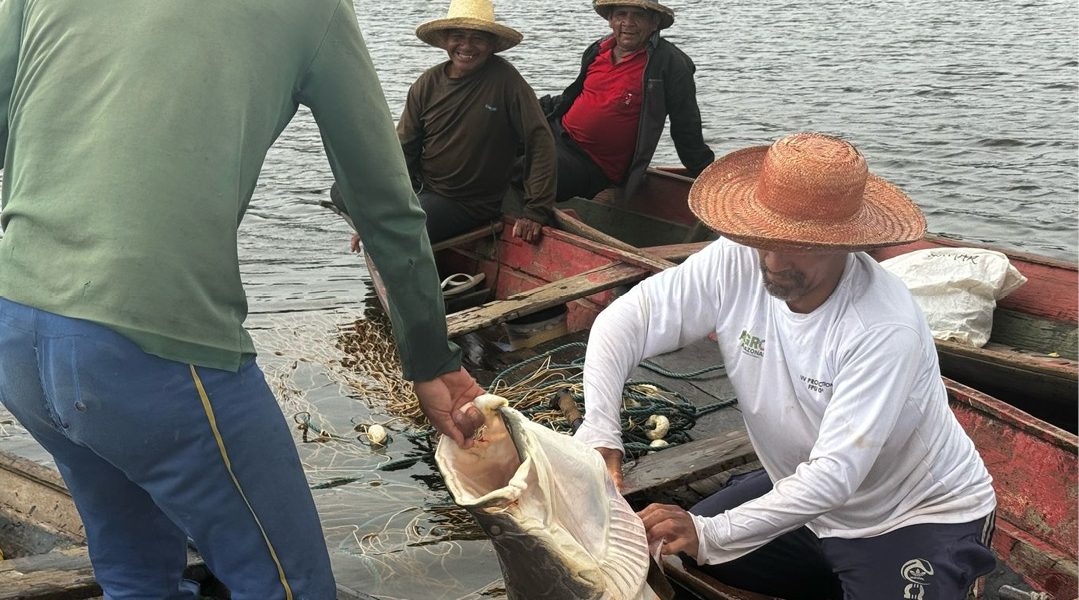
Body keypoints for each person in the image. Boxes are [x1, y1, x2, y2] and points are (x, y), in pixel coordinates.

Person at [0, 1, 486, 598]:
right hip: (152, 348)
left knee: (134, 573)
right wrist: (431, 359)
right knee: (289, 586)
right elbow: (383, 204)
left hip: (16, 327)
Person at [575, 133, 998, 598]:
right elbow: (626, 321)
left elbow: (834, 475)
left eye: (801, 244)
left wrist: (711, 533)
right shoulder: (738, 256)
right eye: (765, 237)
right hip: (803, 495)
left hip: (909, 516)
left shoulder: (881, 326)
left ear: (846, 243)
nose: (774, 261)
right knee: (670, 549)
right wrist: (601, 431)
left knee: (703, 537)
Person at [335, 0, 555, 250]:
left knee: (405, 227)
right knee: (342, 189)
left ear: (491, 44)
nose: (466, 46)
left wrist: (535, 211)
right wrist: (377, 208)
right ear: (445, 40)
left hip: (468, 203)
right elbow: (405, 148)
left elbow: (540, 141)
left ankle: (385, 230)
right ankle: (381, 227)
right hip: (422, 187)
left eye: (478, 38)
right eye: (458, 37)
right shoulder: (427, 83)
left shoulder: (507, 82)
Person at [539, 0, 715, 203]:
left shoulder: (671, 63)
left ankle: (533, 211)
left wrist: (707, 174)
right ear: (610, 20)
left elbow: (686, 126)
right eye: (621, 14)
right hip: (557, 133)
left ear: (654, 23)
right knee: (508, 137)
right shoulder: (598, 49)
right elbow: (575, 96)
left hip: (592, 163)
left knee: (536, 169)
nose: (628, 23)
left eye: (638, 15)